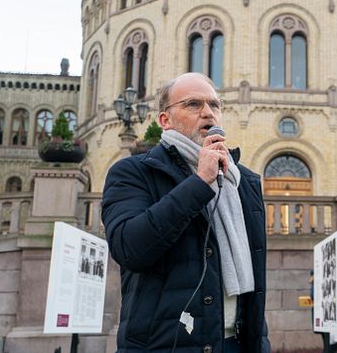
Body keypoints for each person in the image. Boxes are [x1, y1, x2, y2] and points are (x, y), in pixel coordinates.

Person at [102, 73, 270, 353]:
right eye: (193, 104)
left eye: (215, 105)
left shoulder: (244, 182)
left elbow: (255, 289)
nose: (208, 113)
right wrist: (198, 182)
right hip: (167, 345)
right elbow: (129, 247)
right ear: (165, 120)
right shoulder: (133, 173)